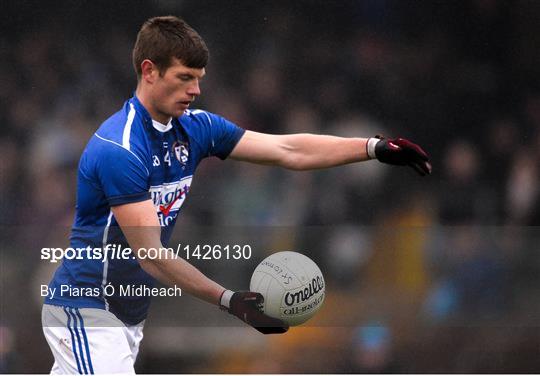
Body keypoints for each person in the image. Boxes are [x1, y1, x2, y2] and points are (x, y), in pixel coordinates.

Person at [41, 15, 431, 374]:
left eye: (199, 78)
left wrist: (371, 148)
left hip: (127, 314)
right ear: (149, 71)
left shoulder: (196, 128)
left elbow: (287, 151)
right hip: (88, 307)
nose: (196, 89)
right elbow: (153, 257)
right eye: (184, 77)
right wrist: (230, 300)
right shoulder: (120, 149)